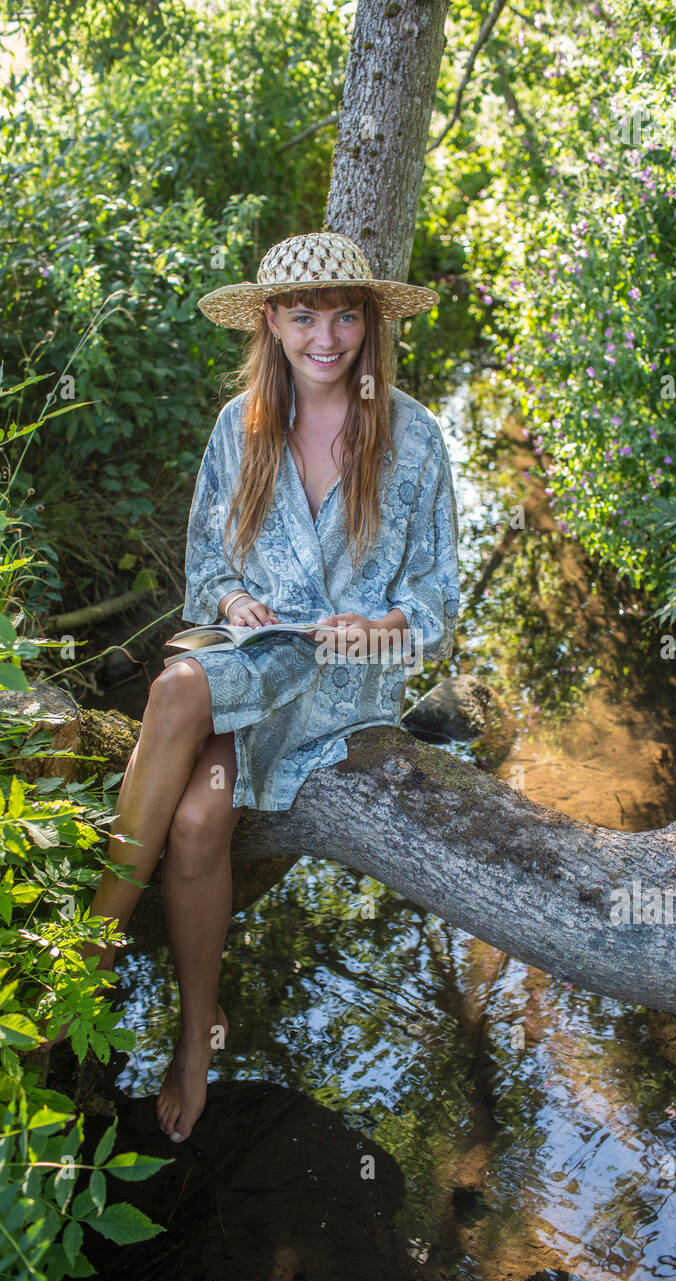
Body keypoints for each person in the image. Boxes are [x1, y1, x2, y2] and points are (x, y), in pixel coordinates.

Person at [85, 230, 460, 1142]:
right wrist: (238, 596)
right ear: (271, 322)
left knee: (176, 698)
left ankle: (88, 950)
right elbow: (203, 568)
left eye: (344, 316)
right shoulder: (240, 424)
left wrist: (377, 627)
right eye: (304, 315)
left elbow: (438, 604)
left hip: (335, 683)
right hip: (245, 656)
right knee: (199, 818)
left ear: (370, 323)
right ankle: (195, 1036)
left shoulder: (412, 438)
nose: (326, 337)